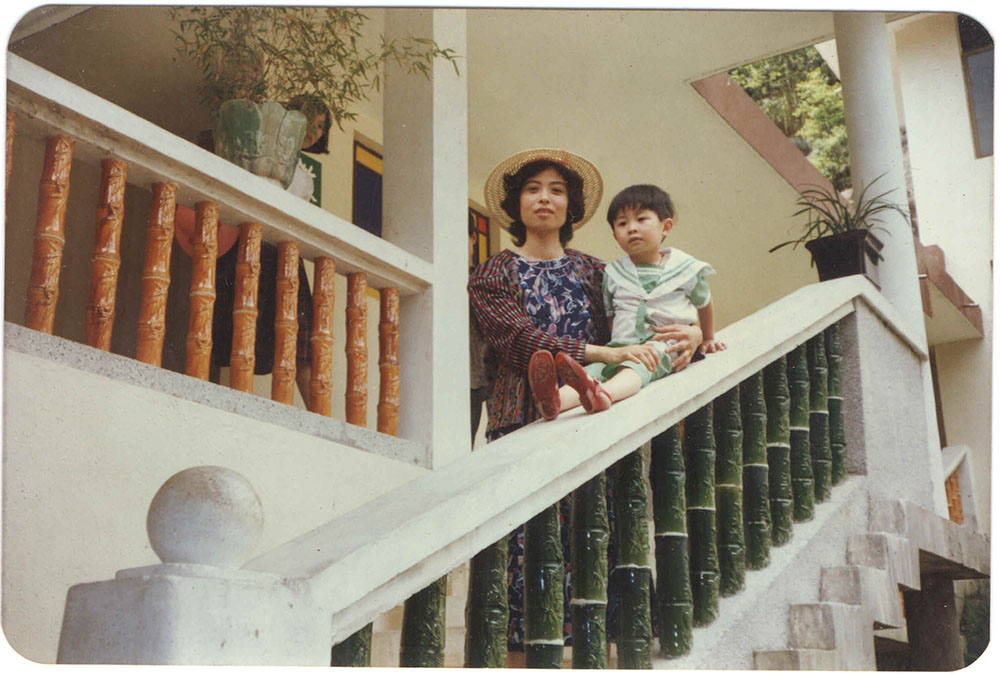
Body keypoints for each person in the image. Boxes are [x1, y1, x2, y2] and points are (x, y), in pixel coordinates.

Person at [467, 151, 703, 664]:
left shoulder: (598, 271)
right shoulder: (492, 272)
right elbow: (517, 341)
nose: (544, 198)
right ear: (516, 203)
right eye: (532, 188)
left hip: (594, 424)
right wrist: (604, 353)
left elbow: (645, 323)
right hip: (521, 425)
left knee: (601, 552)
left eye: (556, 189)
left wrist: (693, 334)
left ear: (570, 205)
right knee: (526, 563)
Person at [528, 183, 726, 420]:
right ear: (615, 236)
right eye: (622, 224)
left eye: (641, 219)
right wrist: (619, 345)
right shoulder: (613, 273)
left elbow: (704, 303)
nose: (632, 228)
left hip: (664, 345)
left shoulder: (685, 268)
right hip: (622, 346)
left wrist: (707, 337)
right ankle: (554, 401)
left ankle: (605, 394)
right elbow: (612, 316)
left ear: (665, 226)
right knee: (594, 370)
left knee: (637, 368)